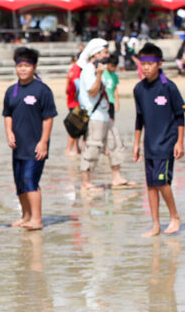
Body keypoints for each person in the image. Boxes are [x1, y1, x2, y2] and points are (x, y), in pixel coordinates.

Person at [132, 43, 184, 236]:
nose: (145, 67)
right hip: (149, 144)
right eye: (142, 63)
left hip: (167, 143)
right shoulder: (138, 89)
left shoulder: (168, 87)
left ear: (159, 64)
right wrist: (136, 144)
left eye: (150, 63)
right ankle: (155, 225)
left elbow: (181, 114)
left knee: (162, 182)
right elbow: (139, 118)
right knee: (151, 184)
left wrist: (180, 142)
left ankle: (174, 217)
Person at [2, 47, 57, 230]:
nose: (23, 69)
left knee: (30, 180)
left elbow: (48, 117)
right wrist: (9, 132)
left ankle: (37, 219)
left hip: (35, 146)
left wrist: (43, 142)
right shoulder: (12, 91)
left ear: (34, 67)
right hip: (18, 146)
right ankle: (25, 216)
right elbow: (7, 114)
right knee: (19, 182)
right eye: (19, 66)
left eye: (27, 65)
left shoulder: (42, 90)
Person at [77, 38, 131, 191]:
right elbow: (92, 92)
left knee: (114, 145)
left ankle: (117, 177)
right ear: (96, 53)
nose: (107, 55)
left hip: (104, 114)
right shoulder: (88, 70)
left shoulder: (99, 68)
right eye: (105, 52)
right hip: (95, 117)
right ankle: (86, 182)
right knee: (92, 148)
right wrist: (99, 75)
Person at [65, 53, 82, 155]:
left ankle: (77, 148)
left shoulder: (75, 69)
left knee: (78, 127)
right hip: (75, 103)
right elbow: (68, 90)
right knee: (75, 127)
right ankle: (69, 149)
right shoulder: (75, 70)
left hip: (76, 103)